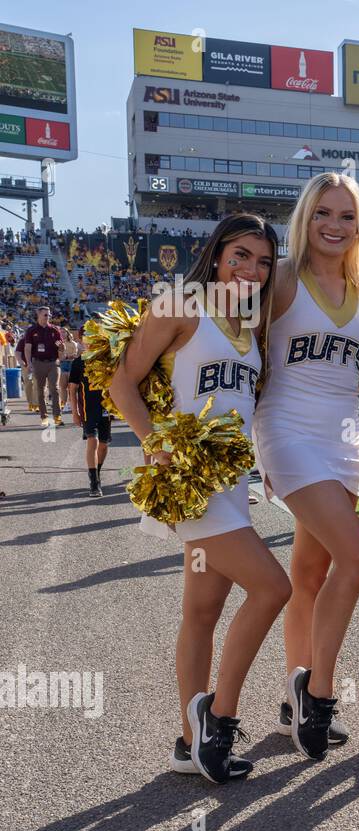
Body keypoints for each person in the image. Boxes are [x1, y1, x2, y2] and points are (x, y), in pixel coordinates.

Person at [109, 213, 290, 782]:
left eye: (263, 262)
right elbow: (121, 381)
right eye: (240, 255)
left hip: (230, 481)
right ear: (216, 254)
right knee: (272, 586)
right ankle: (219, 719)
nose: (251, 270)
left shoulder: (250, 321)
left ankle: (190, 745)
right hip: (192, 481)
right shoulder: (179, 305)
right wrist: (156, 446)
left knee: (202, 611)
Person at [254, 172, 359, 760]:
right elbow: (227, 340)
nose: (335, 225)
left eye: (347, 216)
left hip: (344, 437)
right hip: (286, 429)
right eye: (324, 213)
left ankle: (290, 696)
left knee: (310, 573)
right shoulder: (279, 281)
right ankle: (319, 696)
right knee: (358, 557)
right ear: (306, 218)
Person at [66, 327, 112, 497]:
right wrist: (75, 413)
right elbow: (72, 389)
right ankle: (94, 482)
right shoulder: (79, 362)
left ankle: (97, 472)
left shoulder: (106, 359)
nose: (91, 340)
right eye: (87, 337)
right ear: (81, 339)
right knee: (93, 440)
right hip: (87, 409)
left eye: (94, 335)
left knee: (104, 445)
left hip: (105, 407)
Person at [21, 305, 62, 425]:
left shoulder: (54, 330)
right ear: (38, 315)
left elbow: (61, 348)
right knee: (40, 390)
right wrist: (29, 363)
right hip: (38, 363)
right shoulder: (31, 330)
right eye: (45, 314)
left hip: (53, 363)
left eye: (49, 315)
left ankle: (57, 416)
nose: (48, 317)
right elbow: (27, 348)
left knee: (55, 389)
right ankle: (44, 417)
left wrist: (62, 348)